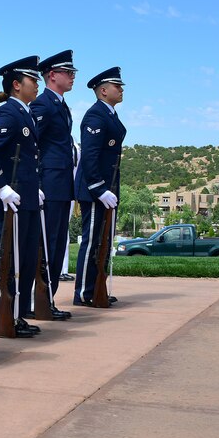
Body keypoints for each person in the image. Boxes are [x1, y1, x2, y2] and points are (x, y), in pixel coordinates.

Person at [0, 57, 44, 338]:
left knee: (26, 259)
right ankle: (4, 317)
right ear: (17, 85)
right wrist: (0, 186)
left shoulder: (26, 113)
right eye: (33, 80)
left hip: (27, 197)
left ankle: (17, 315)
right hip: (12, 199)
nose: (37, 85)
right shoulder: (8, 113)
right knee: (11, 259)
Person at [30, 50, 78, 319]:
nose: (72, 77)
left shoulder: (60, 105)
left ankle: (47, 300)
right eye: (67, 72)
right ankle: (40, 300)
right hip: (49, 184)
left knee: (58, 244)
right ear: (52, 75)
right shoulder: (43, 105)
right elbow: (31, 146)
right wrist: (37, 183)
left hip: (62, 185)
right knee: (47, 244)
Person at [73, 68, 126, 306]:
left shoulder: (110, 114)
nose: (121, 89)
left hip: (109, 189)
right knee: (92, 240)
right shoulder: (96, 115)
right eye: (117, 86)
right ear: (103, 91)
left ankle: (98, 288)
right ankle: (84, 291)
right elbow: (90, 156)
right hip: (96, 190)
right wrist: (98, 188)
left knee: (104, 241)